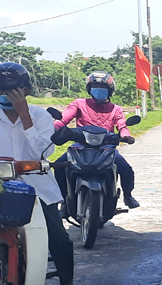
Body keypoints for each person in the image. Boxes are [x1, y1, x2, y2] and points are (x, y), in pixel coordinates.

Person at [0, 63, 84, 285]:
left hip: (37, 187)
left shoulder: (41, 117)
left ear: (26, 90)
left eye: (12, 90)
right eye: (0, 90)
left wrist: (25, 117)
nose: (6, 95)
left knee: (58, 236)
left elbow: (43, 152)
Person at [53, 72, 139, 209]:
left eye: (103, 88)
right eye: (95, 87)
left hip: (106, 148)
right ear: (89, 89)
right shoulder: (79, 104)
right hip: (81, 145)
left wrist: (126, 136)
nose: (99, 91)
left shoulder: (115, 109)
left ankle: (128, 196)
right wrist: (54, 128)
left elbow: (122, 125)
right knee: (59, 166)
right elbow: (64, 119)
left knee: (126, 169)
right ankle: (64, 201)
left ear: (110, 91)